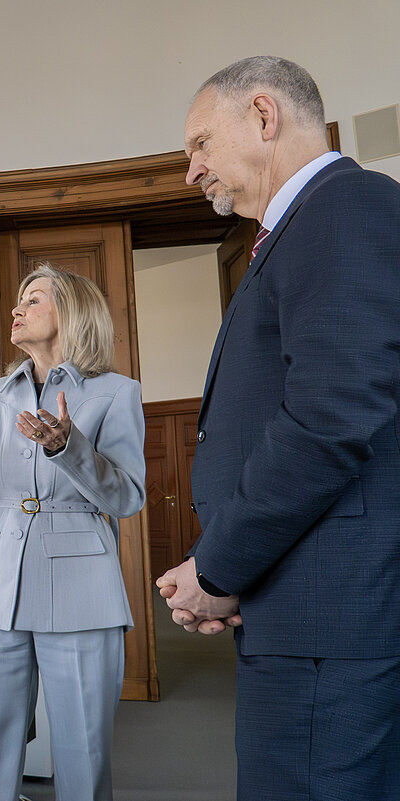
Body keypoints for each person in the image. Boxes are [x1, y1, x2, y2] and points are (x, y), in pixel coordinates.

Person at [157, 56, 400, 799]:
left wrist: (217, 567)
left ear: (264, 116)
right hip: (302, 606)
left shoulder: (344, 207)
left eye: (200, 143)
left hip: (332, 623)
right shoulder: (299, 228)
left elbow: (329, 418)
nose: (192, 170)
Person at [0, 264, 146, 801]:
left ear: (70, 312)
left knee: (80, 749)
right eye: (18, 300)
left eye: (34, 299)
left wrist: (66, 448)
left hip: (80, 586)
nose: (17, 309)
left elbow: (127, 497)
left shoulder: (115, 393)